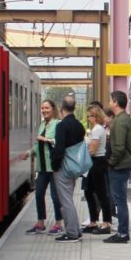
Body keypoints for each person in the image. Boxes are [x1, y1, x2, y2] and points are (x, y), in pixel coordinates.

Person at [22, 99, 64, 235]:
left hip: (53, 166)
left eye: (47, 108)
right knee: (39, 194)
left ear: (53, 109)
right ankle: (40, 223)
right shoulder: (42, 125)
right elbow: (38, 145)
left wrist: (45, 139)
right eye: (42, 108)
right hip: (42, 167)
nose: (44, 110)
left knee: (55, 196)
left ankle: (59, 223)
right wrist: (29, 152)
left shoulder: (58, 124)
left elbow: (59, 142)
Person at [50, 97, 87, 242]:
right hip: (75, 166)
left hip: (63, 167)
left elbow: (59, 149)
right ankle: (75, 229)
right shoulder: (79, 125)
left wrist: (55, 165)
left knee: (65, 201)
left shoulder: (62, 126)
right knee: (68, 200)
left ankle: (71, 233)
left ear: (61, 108)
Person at [105, 90, 131, 244]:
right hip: (124, 163)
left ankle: (123, 233)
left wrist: (110, 162)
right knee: (121, 200)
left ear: (116, 102)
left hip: (119, 165)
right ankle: (123, 232)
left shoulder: (119, 121)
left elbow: (118, 147)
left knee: (120, 201)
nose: (109, 103)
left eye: (111, 101)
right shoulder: (125, 119)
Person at [82, 102, 114, 235]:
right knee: (88, 192)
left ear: (95, 117)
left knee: (101, 194)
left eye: (89, 116)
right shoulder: (98, 129)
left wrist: (82, 155)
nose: (88, 119)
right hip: (95, 164)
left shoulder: (97, 130)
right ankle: (93, 221)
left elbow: (93, 150)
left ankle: (106, 223)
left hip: (97, 163)